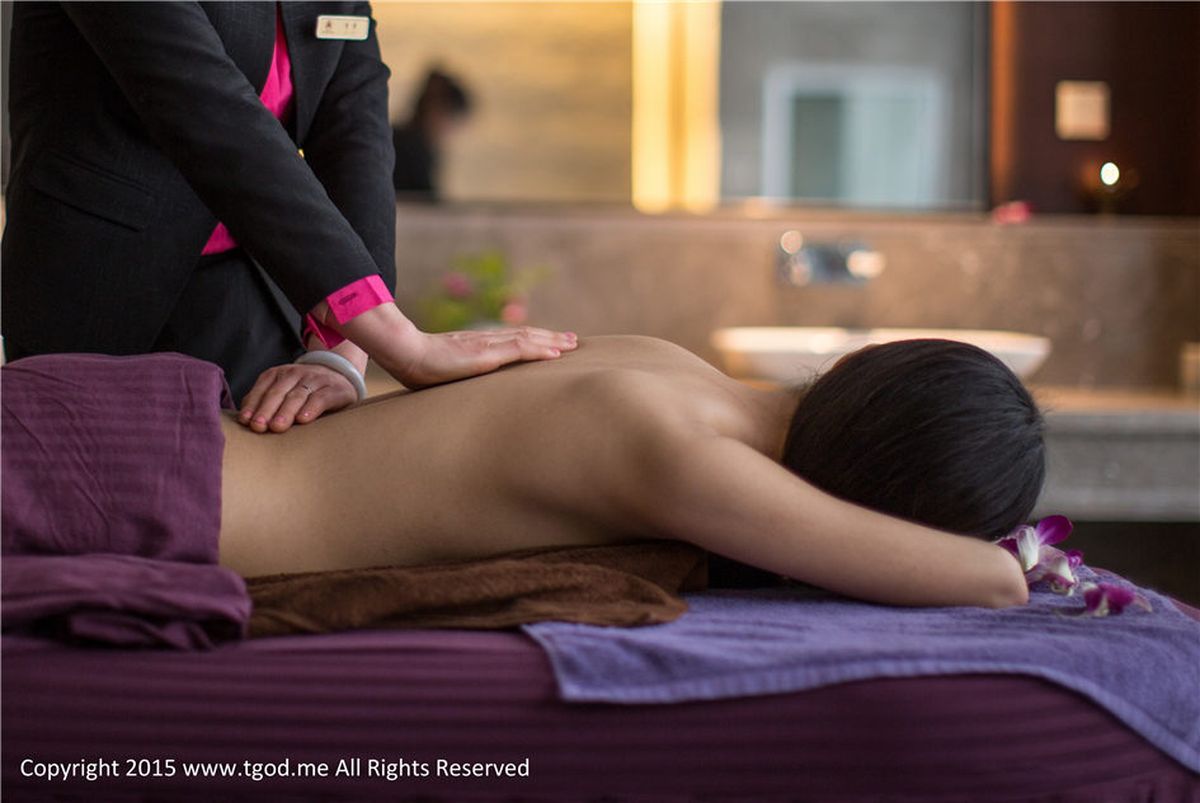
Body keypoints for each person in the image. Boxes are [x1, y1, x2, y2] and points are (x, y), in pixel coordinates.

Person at [2, 336, 1039, 610]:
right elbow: (993, 582)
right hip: (141, 489)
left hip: (143, 421)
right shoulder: (688, 459)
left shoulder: (661, 360)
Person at [1, 3, 573, 427]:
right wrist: (405, 345)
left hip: (259, 287)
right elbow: (207, 110)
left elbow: (354, 128)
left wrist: (344, 351)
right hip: (102, 287)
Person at [392, 68, 472, 201]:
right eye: (452, 121)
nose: (450, 135)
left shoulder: (398, 139)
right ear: (436, 112)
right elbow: (427, 205)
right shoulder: (413, 149)